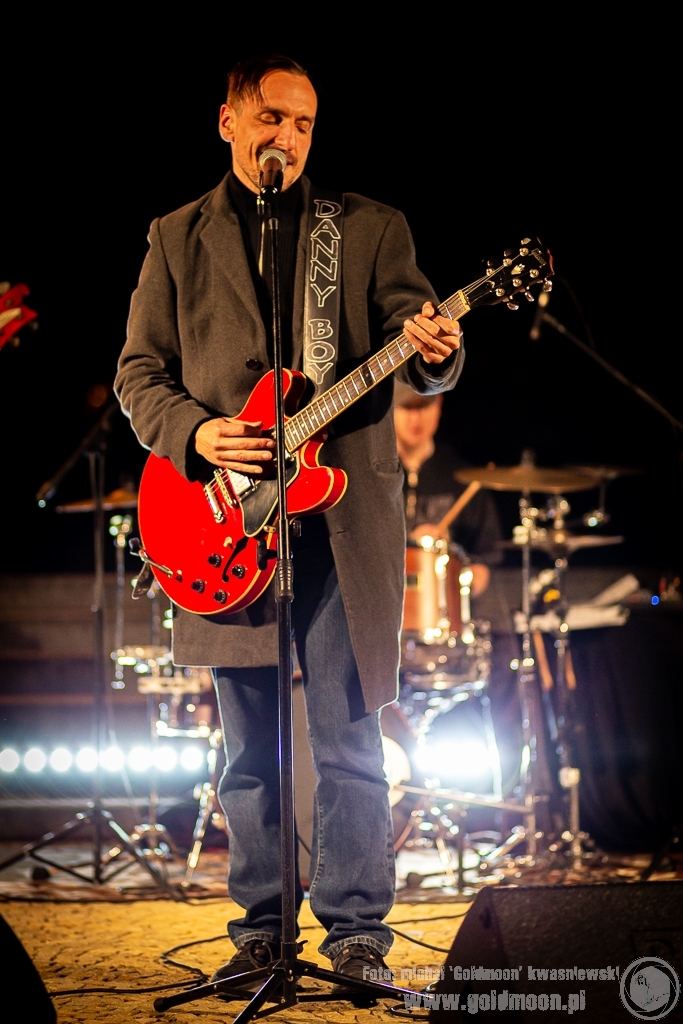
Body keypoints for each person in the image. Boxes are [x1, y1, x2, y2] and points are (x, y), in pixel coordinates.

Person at [115, 55, 464, 986]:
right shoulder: (175, 237)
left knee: (348, 737)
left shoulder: (368, 227)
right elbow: (138, 375)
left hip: (341, 522)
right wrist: (198, 435)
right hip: (223, 522)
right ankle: (262, 933)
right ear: (228, 120)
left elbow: (418, 339)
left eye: (304, 123)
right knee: (249, 749)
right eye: (271, 117)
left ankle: (356, 935)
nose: (288, 137)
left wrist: (436, 349)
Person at [393, 381, 502, 597]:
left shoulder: (464, 479)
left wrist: (449, 561)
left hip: (444, 607)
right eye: (406, 407)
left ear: (438, 404)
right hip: (385, 604)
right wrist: (412, 546)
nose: (415, 418)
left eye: (422, 406)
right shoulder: (372, 481)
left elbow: (484, 563)